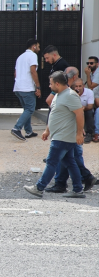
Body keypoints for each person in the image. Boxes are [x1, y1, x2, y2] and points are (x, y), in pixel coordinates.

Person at [24, 71, 86, 199]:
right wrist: (47, 130)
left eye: (50, 83)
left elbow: (79, 114)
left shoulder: (70, 95)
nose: (49, 85)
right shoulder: (58, 95)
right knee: (70, 162)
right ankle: (78, 189)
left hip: (63, 137)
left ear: (57, 84)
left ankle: (39, 188)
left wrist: (79, 133)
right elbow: (54, 115)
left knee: (52, 162)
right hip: (59, 135)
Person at [11, 39, 41, 141]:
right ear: (34, 47)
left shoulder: (20, 57)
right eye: (38, 46)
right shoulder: (33, 55)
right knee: (30, 109)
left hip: (18, 87)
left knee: (26, 109)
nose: (39, 49)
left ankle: (28, 131)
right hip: (27, 87)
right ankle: (17, 128)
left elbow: (15, 73)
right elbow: (33, 71)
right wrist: (38, 86)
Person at [72, 78, 95, 143]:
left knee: (89, 113)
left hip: (85, 109)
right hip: (75, 111)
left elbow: (90, 106)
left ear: (83, 86)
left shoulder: (89, 92)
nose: (78, 88)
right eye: (76, 86)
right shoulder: (71, 93)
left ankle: (89, 134)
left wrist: (84, 108)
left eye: (80, 86)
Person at [84, 56, 99, 142]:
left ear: (97, 64)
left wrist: (87, 75)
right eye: (88, 63)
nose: (89, 65)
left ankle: (95, 133)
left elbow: (91, 86)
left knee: (96, 110)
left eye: (91, 63)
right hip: (96, 96)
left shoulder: (97, 73)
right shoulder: (93, 73)